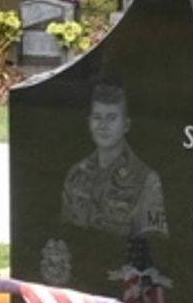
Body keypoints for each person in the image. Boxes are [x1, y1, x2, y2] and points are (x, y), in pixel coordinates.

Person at [60, 83, 168, 237]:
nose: (103, 125)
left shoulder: (146, 180)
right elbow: (64, 232)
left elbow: (152, 245)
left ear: (126, 125)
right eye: (97, 117)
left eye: (111, 118)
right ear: (89, 122)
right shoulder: (76, 174)